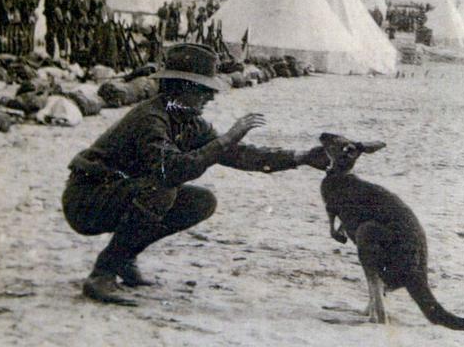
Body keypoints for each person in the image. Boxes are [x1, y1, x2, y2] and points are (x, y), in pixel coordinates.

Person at [61, 42, 325, 306]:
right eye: (203, 91)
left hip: (114, 194)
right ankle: (103, 272)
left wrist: (299, 157)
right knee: (163, 191)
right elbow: (171, 171)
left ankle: (124, 256)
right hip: (86, 200)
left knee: (200, 201)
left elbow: (240, 154)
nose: (210, 98)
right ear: (181, 89)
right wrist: (225, 140)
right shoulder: (151, 119)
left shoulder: (187, 120)